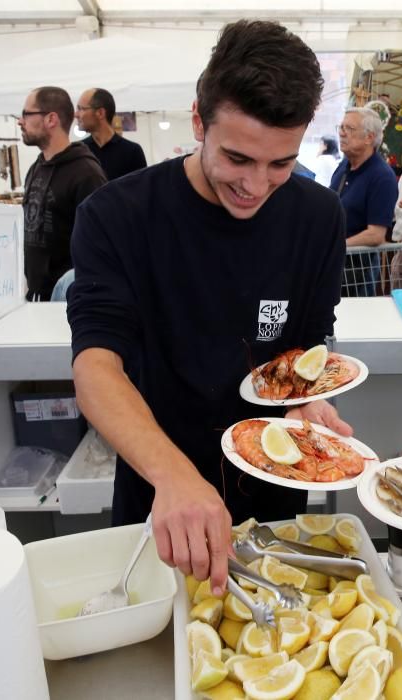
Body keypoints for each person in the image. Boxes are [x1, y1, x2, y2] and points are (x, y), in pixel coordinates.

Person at [67, 20, 351, 599]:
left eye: (281, 164)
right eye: (238, 158)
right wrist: (176, 477)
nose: (257, 185)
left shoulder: (319, 216)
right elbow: (97, 368)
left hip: (274, 491)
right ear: (198, 120)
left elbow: (310, 343)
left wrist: (310, 402)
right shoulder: (116, 215)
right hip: (160, 493)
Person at [19, 86, 106, 301]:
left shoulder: (86, 174)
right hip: (36, 297)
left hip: (69, 300)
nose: (21, 122)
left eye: (26, 114)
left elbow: (102, 243)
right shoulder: (36, 168)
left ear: (51, 119)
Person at [330, 107, 398, 296]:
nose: (342, 133)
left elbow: (376, 235)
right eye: (341, 127)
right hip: (335, 264)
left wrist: (336, 246)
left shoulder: (382, 177)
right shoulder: (344, 166)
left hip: (357, 271)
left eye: (350, 128)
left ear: (369, 137)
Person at [75, 88, 147, 180]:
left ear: (100, 113)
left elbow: (141, 190)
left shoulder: (132, 151)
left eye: (81, 109)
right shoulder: (79, 152)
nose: (76, 114)